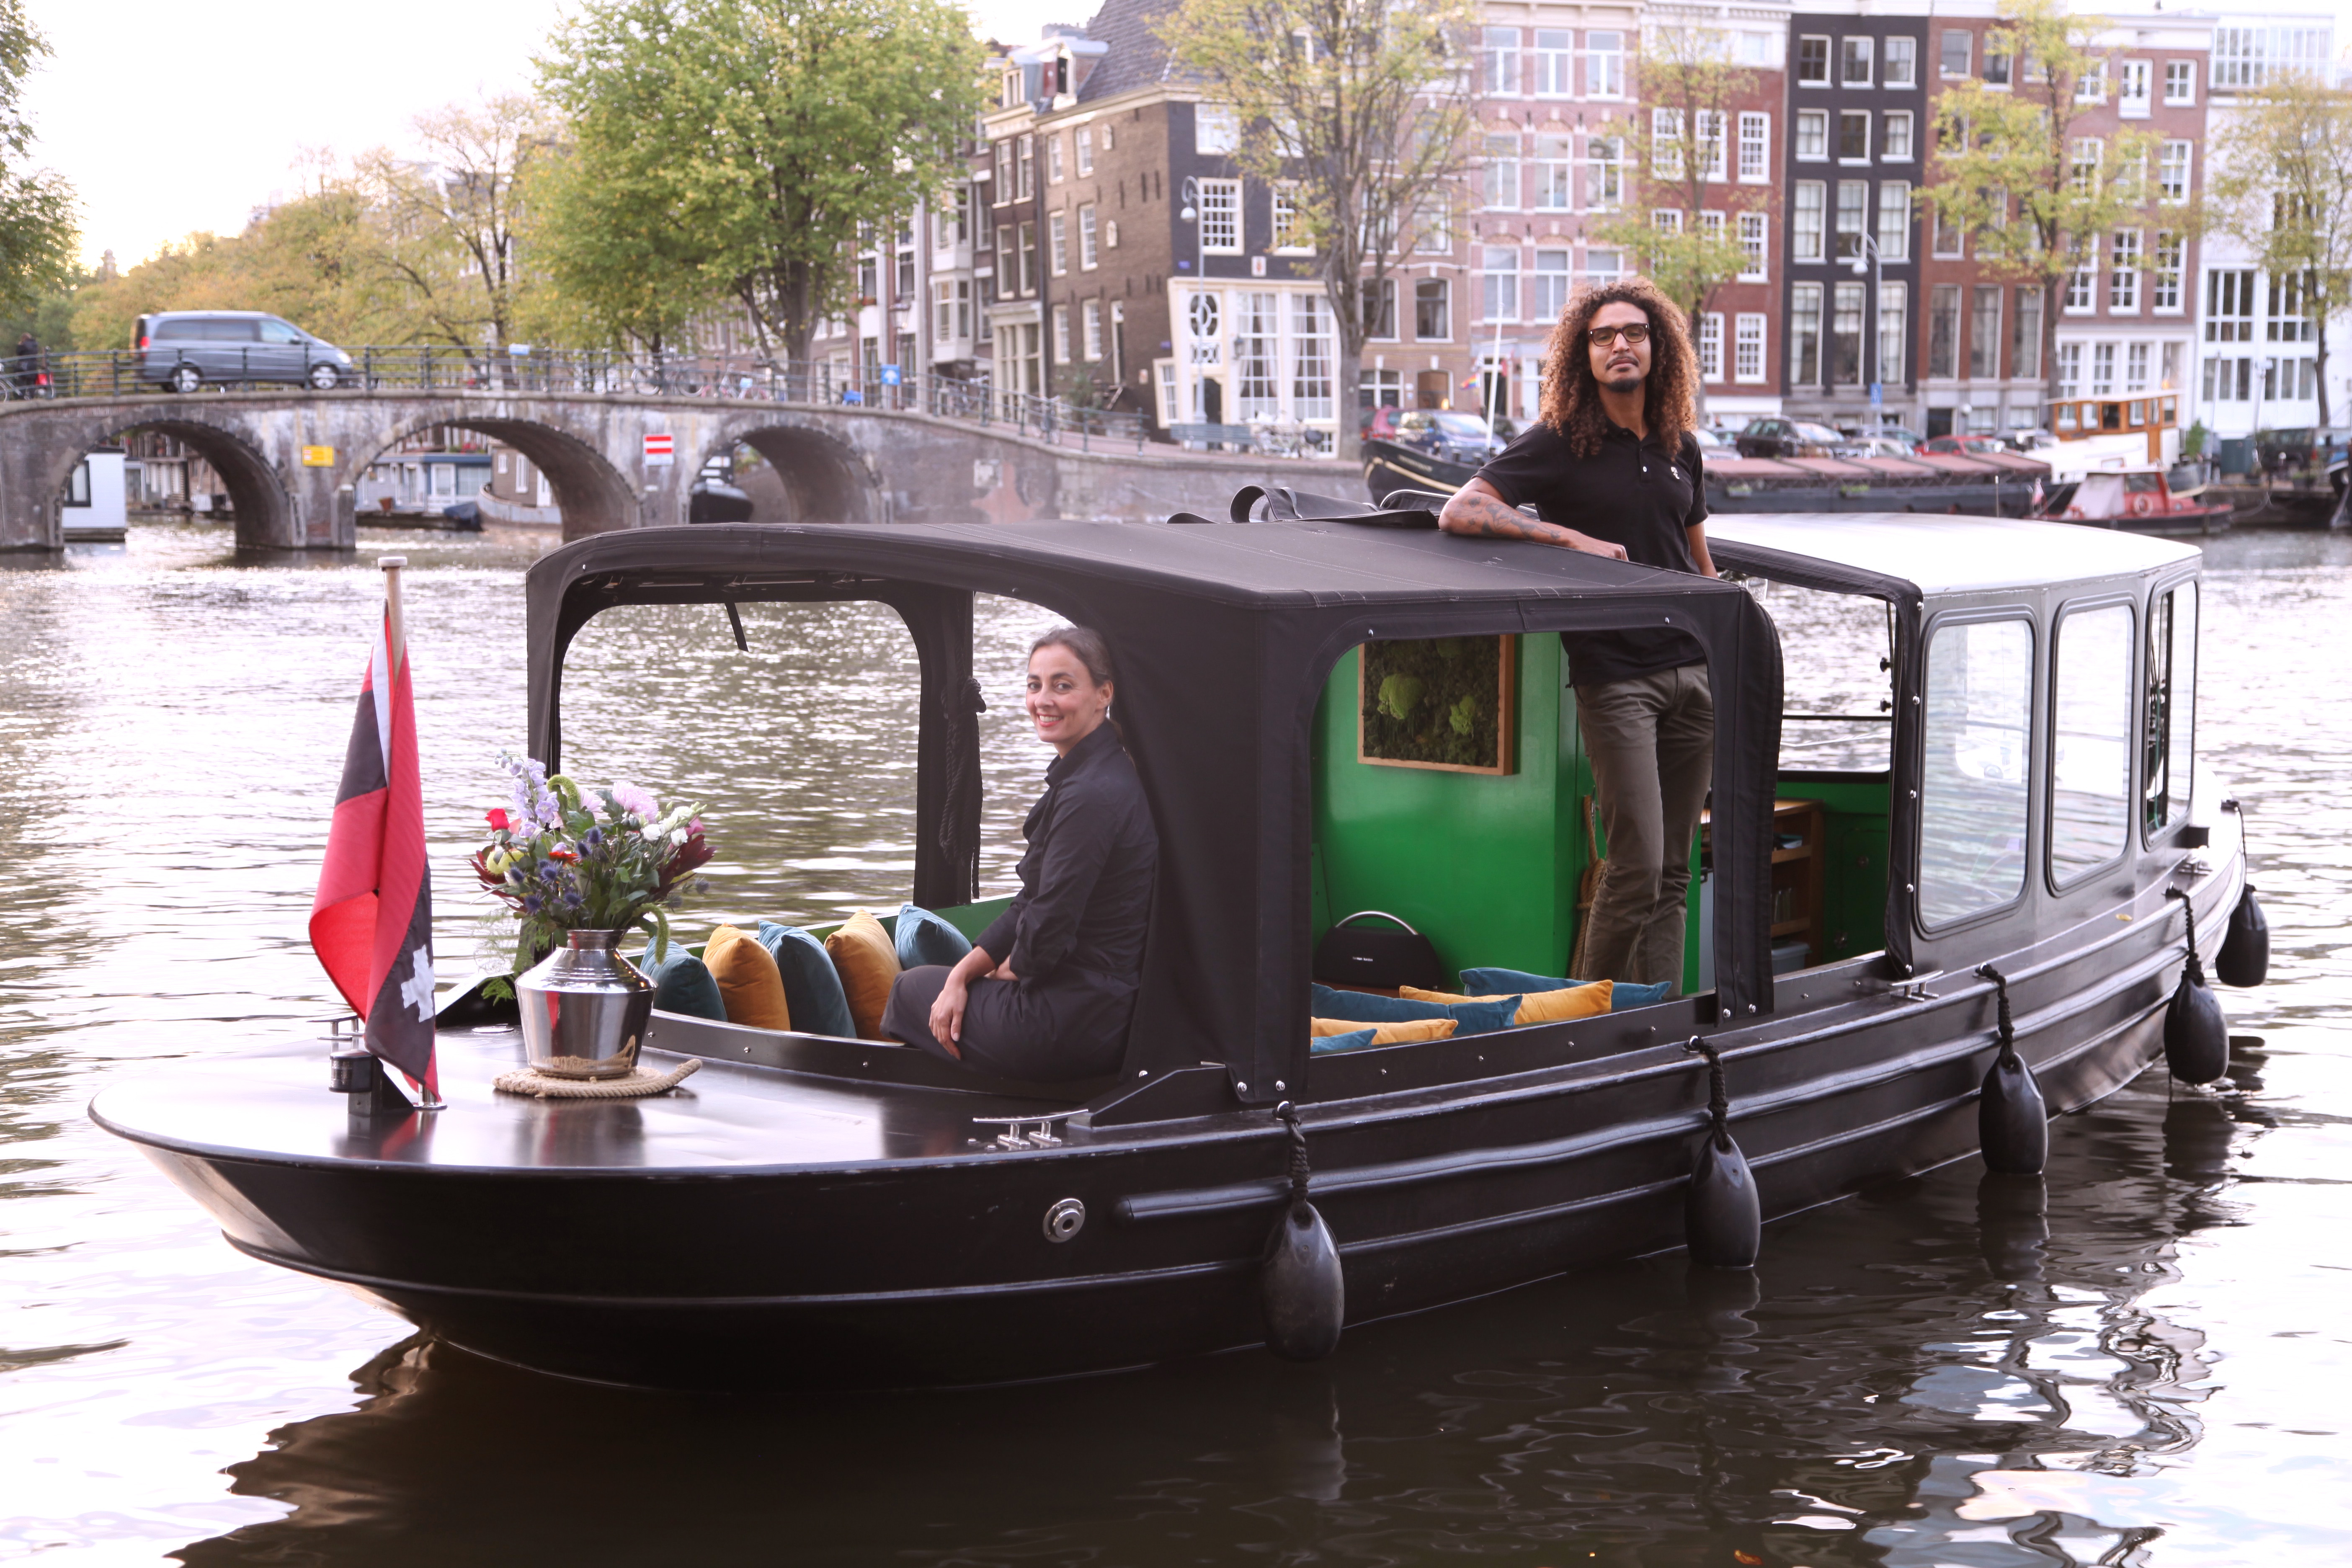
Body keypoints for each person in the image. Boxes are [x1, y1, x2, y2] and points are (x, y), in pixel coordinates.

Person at [1436, 277, 1720, 990]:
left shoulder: (1680, 444)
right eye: (1603, 337)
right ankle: (1587, 1019)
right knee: (1635, 865)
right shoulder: (1561, 443)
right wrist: (1571, 540)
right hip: (1616, 676)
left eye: (1633, 333)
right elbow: (1460, 511)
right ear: (1583, 355)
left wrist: (1728, 645)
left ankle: (1660, 1014)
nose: (1620, 345)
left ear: (1658, 347)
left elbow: (1700, 563)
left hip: (1693, 672)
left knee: (1675, 869)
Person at [882, 626, 1159, 1081]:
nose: (1043, 700)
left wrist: (999, 976)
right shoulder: (1097, 773)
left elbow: (1049, 922)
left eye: (1062, 685)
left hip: (1077, 1020)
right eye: (1035, 685)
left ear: (1103, 694)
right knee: (940, 985)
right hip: (1094, 1007)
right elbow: (1032, 903)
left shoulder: (1091, 795)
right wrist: (964, 973)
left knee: (909, 991)